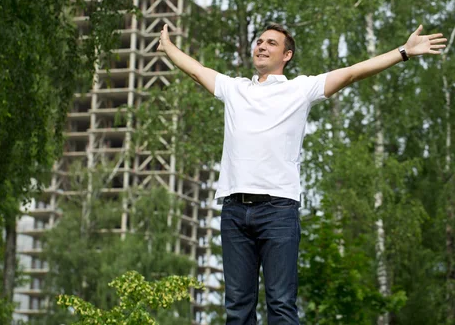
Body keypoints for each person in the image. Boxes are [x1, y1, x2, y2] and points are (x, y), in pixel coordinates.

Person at [156, 23, 446, 325]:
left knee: (281, 305)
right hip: (234, 212)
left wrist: (403, 52)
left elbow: (351, 72)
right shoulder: (234, 88)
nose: (262, 46)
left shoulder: (300, 89)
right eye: (259, 41)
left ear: (287, 54)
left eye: (271, 43)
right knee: (237, 309)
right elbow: (196, 70)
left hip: (278, 211)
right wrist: (169, 46)